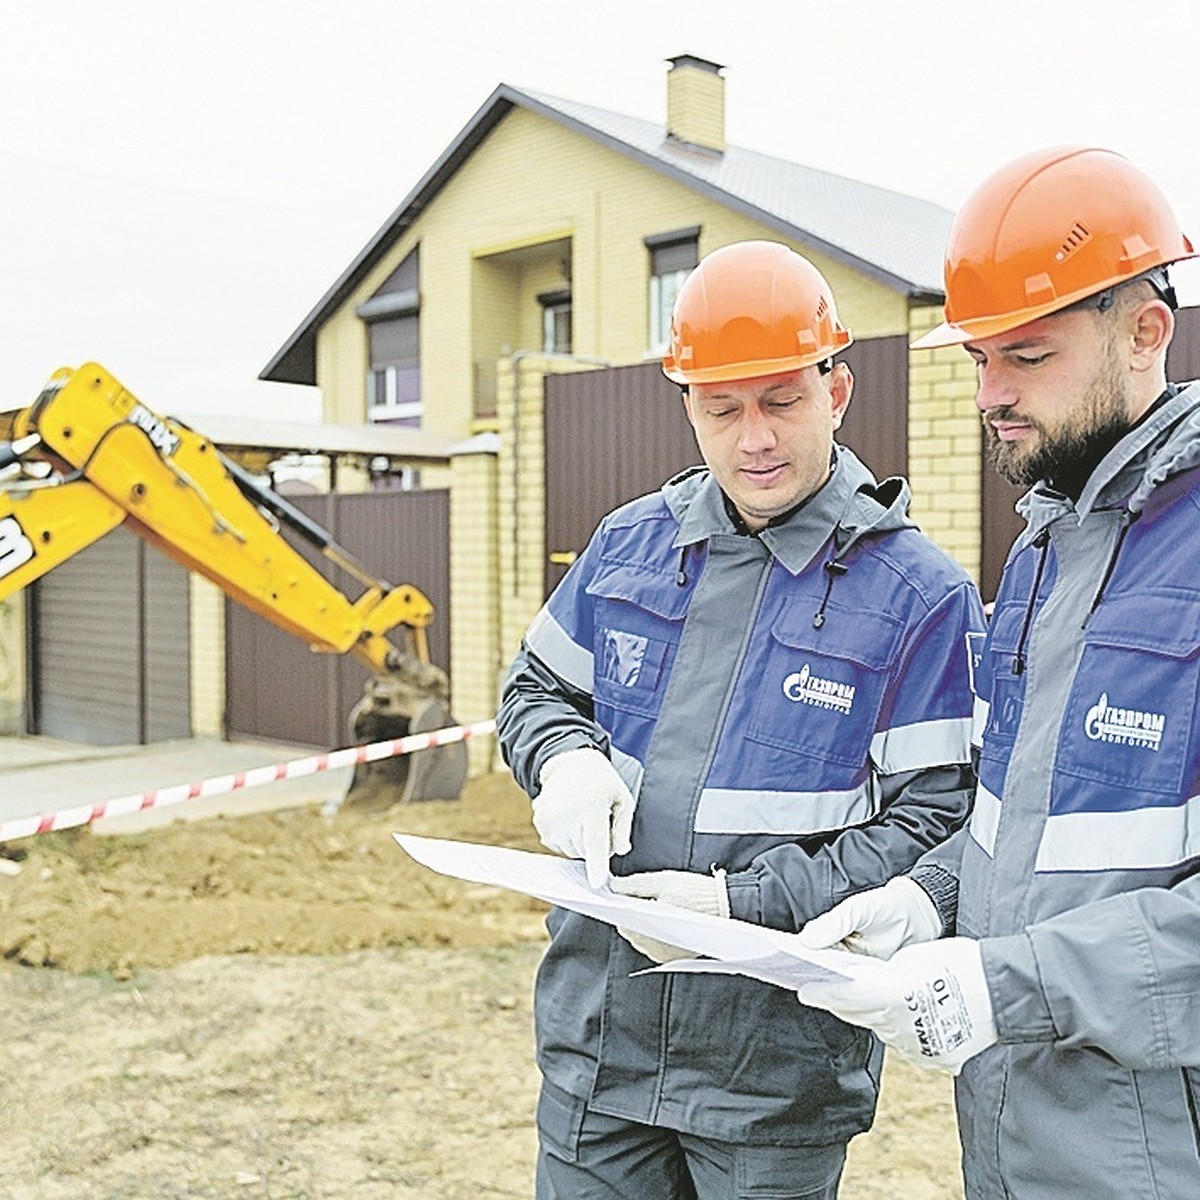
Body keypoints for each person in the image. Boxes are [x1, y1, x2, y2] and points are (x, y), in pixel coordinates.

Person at [496, 239, 985, 1199]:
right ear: (687, 404)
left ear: (836, 389)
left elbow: (937, 824)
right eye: (722, 409)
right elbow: (536, 693)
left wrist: (738, 909)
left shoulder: (918, 598)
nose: (753, 438)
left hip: (774, 1079)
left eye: (781, 401)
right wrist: (563, 762)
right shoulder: (629, 545)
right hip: (601, 1049)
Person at [796, 146, 1200, 1200]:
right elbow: (1010, 820)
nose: (990, 394)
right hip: (1016, 1137)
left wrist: (1005, 983)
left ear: (1146, 331)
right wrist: (929, 900)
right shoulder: (1038, 554)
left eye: (1025, 356)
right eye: (979, 360)